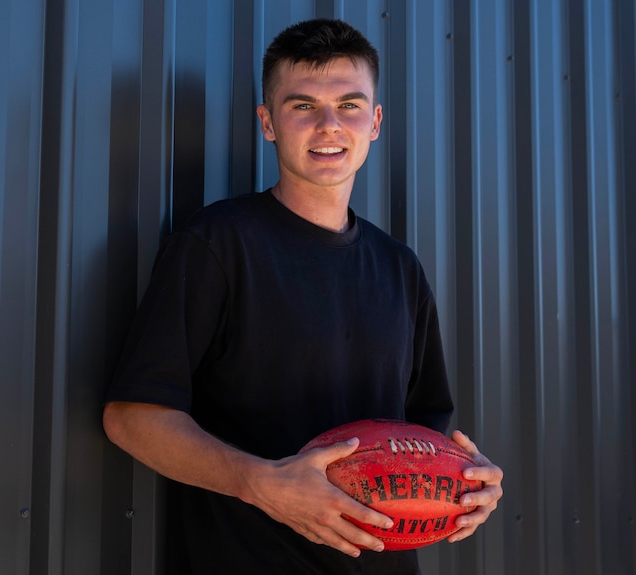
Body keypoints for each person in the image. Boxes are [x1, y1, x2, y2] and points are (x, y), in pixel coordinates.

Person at [103, 18, 503, 575]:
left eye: (349, 104)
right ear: (267, 123)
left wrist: (466, 482)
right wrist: (260, 484)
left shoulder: (400, 268)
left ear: (376, 122)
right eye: (302, 106)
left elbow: (421, 439)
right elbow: (131, 417)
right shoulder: (217, 244)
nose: (328, 125)